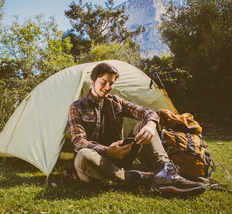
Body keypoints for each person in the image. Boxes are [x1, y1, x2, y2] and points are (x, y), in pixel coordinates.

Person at [67, 62, 205, 196]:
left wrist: (151, 124)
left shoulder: (115, 101)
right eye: (103, 81)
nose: (107, 87)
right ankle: (136, 177)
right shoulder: (77, 107)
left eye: (111, 83)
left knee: (143, 125)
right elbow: (78, 142)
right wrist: (107, 151)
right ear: (93, 80)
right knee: (83, 155)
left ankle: (165, 173)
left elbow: (147, 112)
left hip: (120, 157)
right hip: (95, 163)